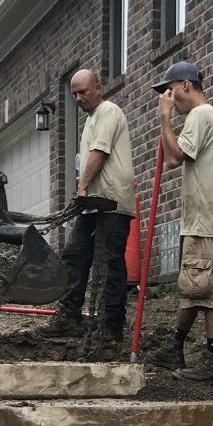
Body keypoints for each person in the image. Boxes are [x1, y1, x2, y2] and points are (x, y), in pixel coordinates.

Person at [41, 68, 134, 355]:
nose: (78, 98)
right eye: (74, 93)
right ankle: (69, 316)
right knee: (75, 254)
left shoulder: (109, 111)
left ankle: (111, 328)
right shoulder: (92, 119)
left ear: (98, 86)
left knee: (108, 265)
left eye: (83, 91)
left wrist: (81, 186)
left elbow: (100, 153)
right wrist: (83, 193)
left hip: (112, 203)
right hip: (93, 203)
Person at [154, 59, 213, 383]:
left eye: (171, 91)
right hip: (203, 218)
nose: (170, 99)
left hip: (203, 218)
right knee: (193, 286)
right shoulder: (209, 117)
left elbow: (173, 157)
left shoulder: (200, 115)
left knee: (206, 289)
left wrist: (164, 119)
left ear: (186, 85)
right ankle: (175, 345)